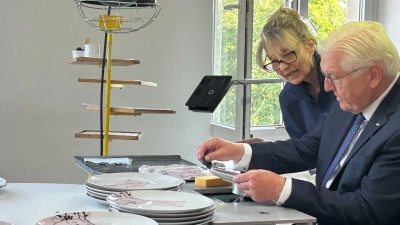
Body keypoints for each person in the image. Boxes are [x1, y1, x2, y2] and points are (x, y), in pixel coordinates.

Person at [197, 21, 400, 225]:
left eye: (334, 77)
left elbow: (368, 211)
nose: (327, 87)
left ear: (372, 75)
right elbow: (306, 148)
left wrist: (283, 189)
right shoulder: (354, 102)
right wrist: (238, 151)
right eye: (326, 76)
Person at [252, 7, 336, 140]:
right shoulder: (288, 98)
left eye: (288, 54)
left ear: (310, 46)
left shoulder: (342, 77)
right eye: (274, 60)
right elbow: (302, 152)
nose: (283, 67)